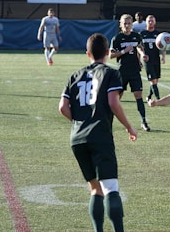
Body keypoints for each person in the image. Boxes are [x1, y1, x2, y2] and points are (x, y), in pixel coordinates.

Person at [59, 33, 138, 232]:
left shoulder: (75, 75)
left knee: (95, 189)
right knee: (111, 187)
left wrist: (80, 122)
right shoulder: (111, 73)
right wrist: (129, 126)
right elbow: (113, 102)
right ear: (106, 52)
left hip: (77, 138)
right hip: (99, 135)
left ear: (88, 54)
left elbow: (62, 107)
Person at [110, 14, 151, 131]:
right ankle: (109, 120)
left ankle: (144, 121)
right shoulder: (117, 38)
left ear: (132, 24)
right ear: (121, 25)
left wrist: (142, 56)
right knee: (117, 98)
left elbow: (139, 47)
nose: (127, 26)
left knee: (138, 95)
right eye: (125, 24)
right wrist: (124, 51)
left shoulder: (136, 36)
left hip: (134, 71)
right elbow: (111, 55)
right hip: (122, 71)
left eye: (129, 23)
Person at [139, 15, 166, 102]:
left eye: (152, 21)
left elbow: (163, 46)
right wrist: (142, 55)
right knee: (153, 80)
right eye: (149, 21)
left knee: (156, 79)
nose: (150, 22)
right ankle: (158, 99)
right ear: (146, 22)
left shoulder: (158, 34)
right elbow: (138, 47)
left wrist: (163, 56)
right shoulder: (142, 34)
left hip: (156, 58)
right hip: (147, 59)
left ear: (155, 22)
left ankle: (149, 96)